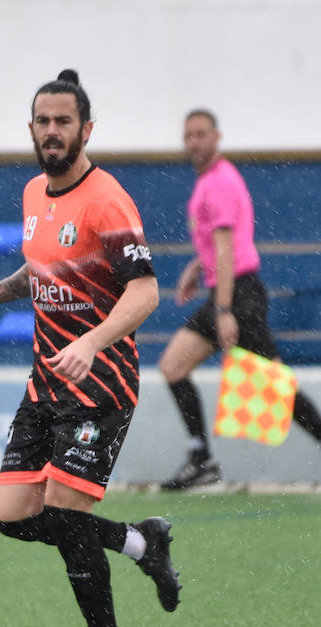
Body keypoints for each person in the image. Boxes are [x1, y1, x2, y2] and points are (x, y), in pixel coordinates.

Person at [0, 70, 182, 627]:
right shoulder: (31, 194)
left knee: (67, 513)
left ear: (86, 129)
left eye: (63, 121)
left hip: (101, 385)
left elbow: (146, 292)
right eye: (43, 121)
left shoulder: (108, 200)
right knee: (13, 516)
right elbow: (42, 271)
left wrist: (94, 342)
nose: (52, 131)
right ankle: (139, 542)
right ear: (32, 129)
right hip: (46, 381)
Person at [158, 108, 321, 489]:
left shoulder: (217, 183)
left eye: (201, 134)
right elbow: (220, 245)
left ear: (217, 137)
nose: (194, 142)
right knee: (173, 367)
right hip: (229, 293)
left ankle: (202, 460)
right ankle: (201, 459)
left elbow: (228, 249)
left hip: (239, 297)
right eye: (188, 135)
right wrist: (198, 267)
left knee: (278, 392)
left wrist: (226, 310)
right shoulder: (212, 181)